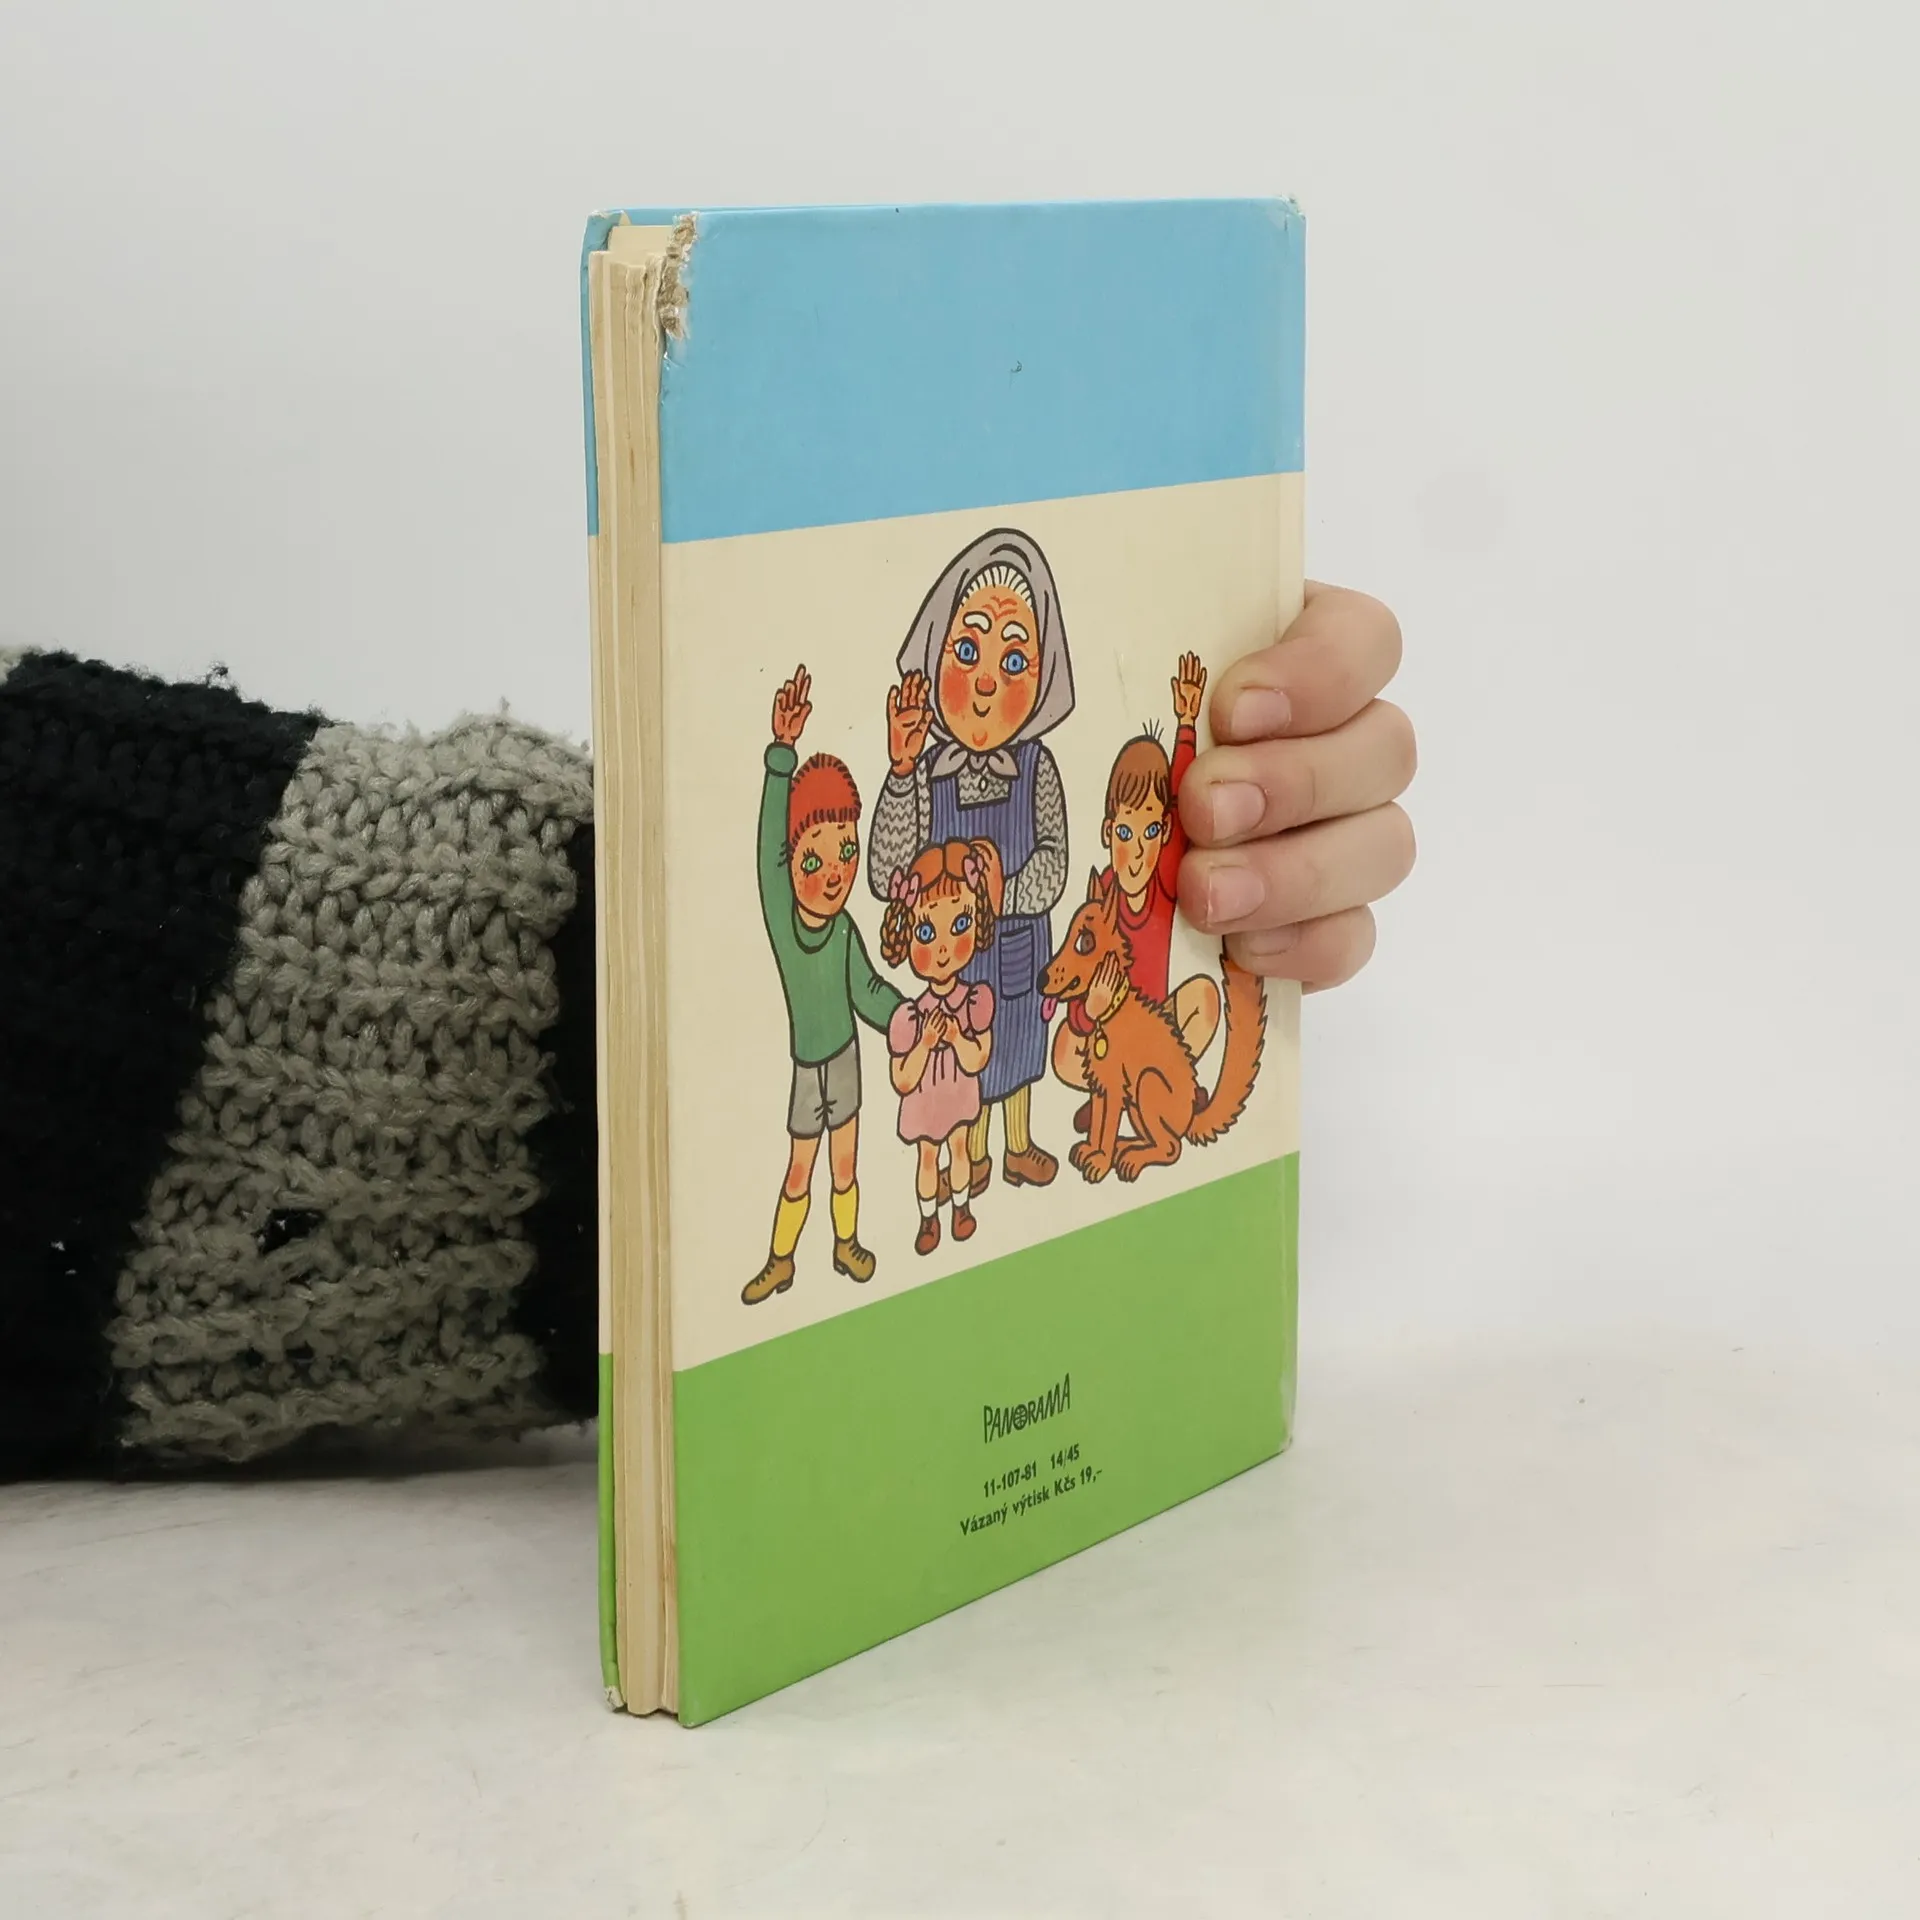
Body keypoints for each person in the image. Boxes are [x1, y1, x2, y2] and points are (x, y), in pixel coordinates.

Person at [868, 530, 1075, 1198]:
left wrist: (1005, 893)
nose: (986, 682)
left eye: (1013, 661)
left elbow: (1055, 863)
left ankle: (1018, 1145)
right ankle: (973, 1153)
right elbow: (887, 876)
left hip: (1020, 950)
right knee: (968, 1062)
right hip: (953, 958)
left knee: (1020, 1048)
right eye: (966, 652)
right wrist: (901, 772)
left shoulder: (1039, 767)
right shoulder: (926, 773)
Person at [746, 665, 904, 1307]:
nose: (835, 873)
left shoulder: (843, 932)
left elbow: (868, 990)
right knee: (799, 1169)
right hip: (807, 1068)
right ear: (792, 860)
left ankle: (845, 1244)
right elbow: (767, 853)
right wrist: (780, 755)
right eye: (815, 858)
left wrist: (908, 1017)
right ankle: (780, 1260)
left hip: (845, 1060)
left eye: (847, 852)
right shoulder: (787, 924)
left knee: (845, 1165)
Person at [880, 840, 1004, 1254]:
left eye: (960, 924)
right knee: (928, 1158)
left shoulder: (975, 1001)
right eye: (927, 933)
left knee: (960, 1148)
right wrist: (926, 1043)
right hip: (925, 1101)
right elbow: (902, 1079)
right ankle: (928, 1218)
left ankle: (962, 1209)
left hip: (958, 1094)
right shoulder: (909, 1017)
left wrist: (954, 1037)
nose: (944, 948)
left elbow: (978, 1058)